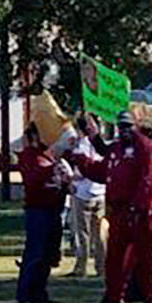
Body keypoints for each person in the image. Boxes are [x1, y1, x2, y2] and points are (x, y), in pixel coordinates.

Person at [63, 111, 152, 303]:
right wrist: (80, 160)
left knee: (146, 256)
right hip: (119, 211)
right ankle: (113, 297)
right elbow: (103, 171)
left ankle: (151, 296)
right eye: (122, 127)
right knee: (115, 257)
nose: (125, 130)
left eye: (128, 126)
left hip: (142, 212)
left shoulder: (147, 149)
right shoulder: (117, 149)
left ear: (135, 127)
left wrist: (137, 205)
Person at [16, 123, 71, 303]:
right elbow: (35, 179)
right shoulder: (29, 156)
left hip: (54, 209)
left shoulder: (50, 157)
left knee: (48, 254)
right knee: (35, 253)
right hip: (38, 210)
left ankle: (40, 292)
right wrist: (54, 172)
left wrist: (64, 181)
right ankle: (25, 293)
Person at [68, 113, 107, 278]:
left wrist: (69, 177)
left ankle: (81, 267)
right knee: (100, 234)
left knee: (82, 233)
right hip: (100, 192)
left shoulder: (81, 146)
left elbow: (81, 172)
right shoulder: (103, 146)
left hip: (83, 193)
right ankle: (102, 267)